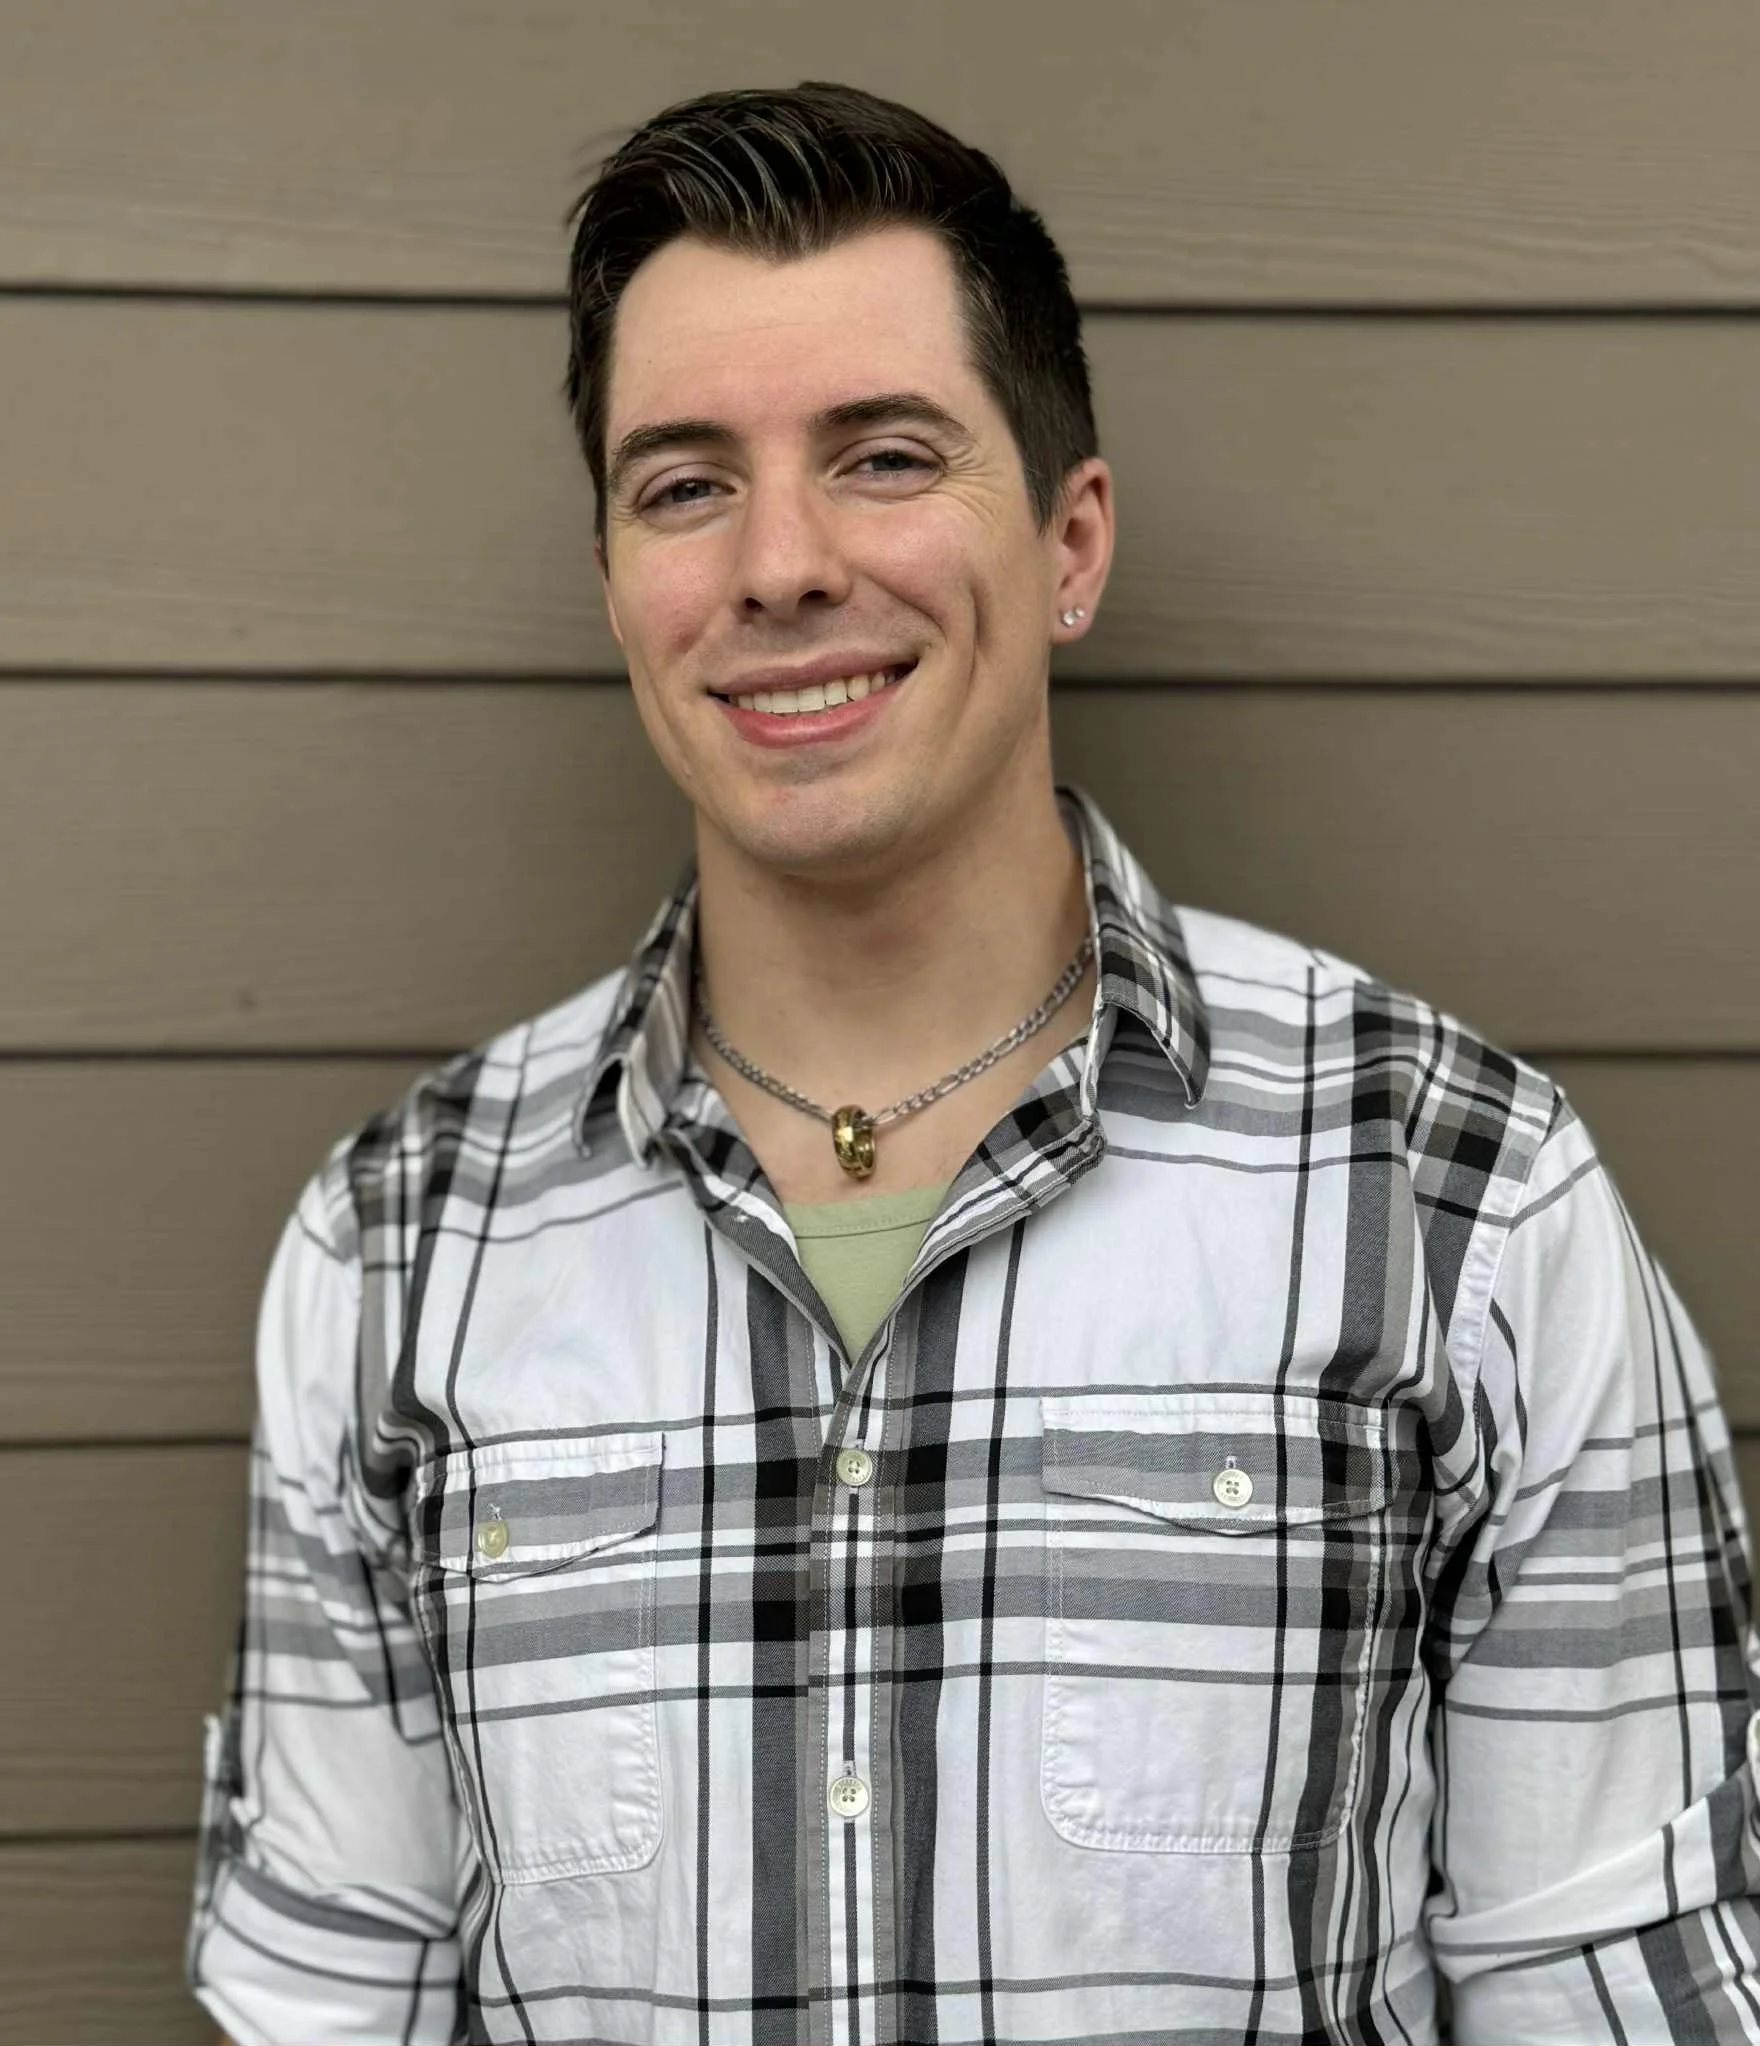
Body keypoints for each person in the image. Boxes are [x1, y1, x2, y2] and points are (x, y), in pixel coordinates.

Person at [187, 80, 1760, 2046]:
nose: (778, 564)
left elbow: (1610, 2002)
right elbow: (337, 2004)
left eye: (881, 456)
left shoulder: (1450, 1195)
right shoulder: (395, 1251)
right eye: (684, 483)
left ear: (1069, 538)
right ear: (617, 587)